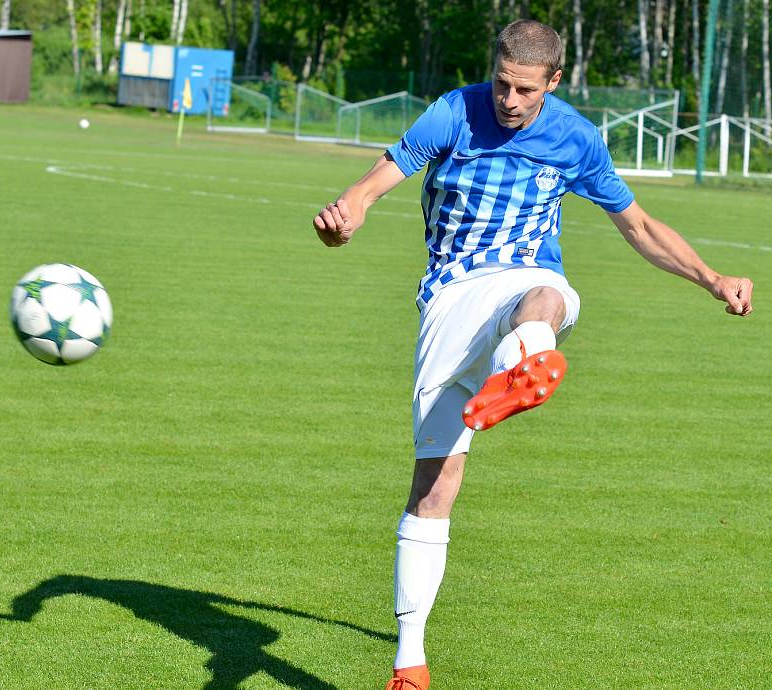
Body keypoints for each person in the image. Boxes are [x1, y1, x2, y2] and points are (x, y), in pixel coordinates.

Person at [312, 19, 754, 690]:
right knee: (434, 490)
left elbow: (637, 226)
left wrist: (712, 278)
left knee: (548, 293)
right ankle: (410, 657)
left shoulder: (574, 137)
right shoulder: (454, 112)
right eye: (501, 84)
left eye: (523, 89)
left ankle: (524, 363)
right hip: (449, 302)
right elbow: (381, 175)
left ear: (553, 82)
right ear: (491, 71)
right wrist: (349, 211)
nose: (508, 100)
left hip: (518, 282)